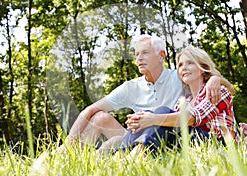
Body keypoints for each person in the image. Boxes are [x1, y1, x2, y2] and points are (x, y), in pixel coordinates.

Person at [59, 35, 235, 152]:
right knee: (100, 119)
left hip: (177, 135)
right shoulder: (132, 87)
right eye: (136, 55)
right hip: (143, 134)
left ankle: (127, 155)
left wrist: (216, 79)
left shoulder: (181, 78)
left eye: (145, 53)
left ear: (161, 56)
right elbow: (89, 110)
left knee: (163, 111)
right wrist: (66, 147)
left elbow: (219, 91)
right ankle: (73, 160)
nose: (139, 59)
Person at [116, 45, 238, 153]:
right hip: (191, 143)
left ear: (202, 68)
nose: (184, 67)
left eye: (190, 63)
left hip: (218, 145)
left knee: (160, 114)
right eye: (180, 65)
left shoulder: (217, 90)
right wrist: (142, 119)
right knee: (153, 115)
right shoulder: (185, 101)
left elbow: (192, 118)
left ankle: (138, 153)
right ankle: (121, 154)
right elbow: (168, 122)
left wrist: (152, 119)